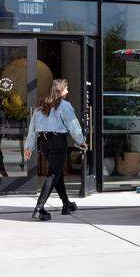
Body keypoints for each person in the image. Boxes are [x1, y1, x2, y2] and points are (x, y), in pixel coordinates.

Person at [24, 78, 86, 221]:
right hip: (58, 142)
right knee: (53, 174)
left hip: (44, 142)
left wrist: (29, 147)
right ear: (60, 90)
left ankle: (66, 204)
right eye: (66, 88)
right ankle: (39, 209)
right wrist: (81, 141)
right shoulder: (64, 106)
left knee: (57, 173)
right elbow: (73, 125)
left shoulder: (41, 106)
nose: (68, 91)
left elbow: (32, 128)